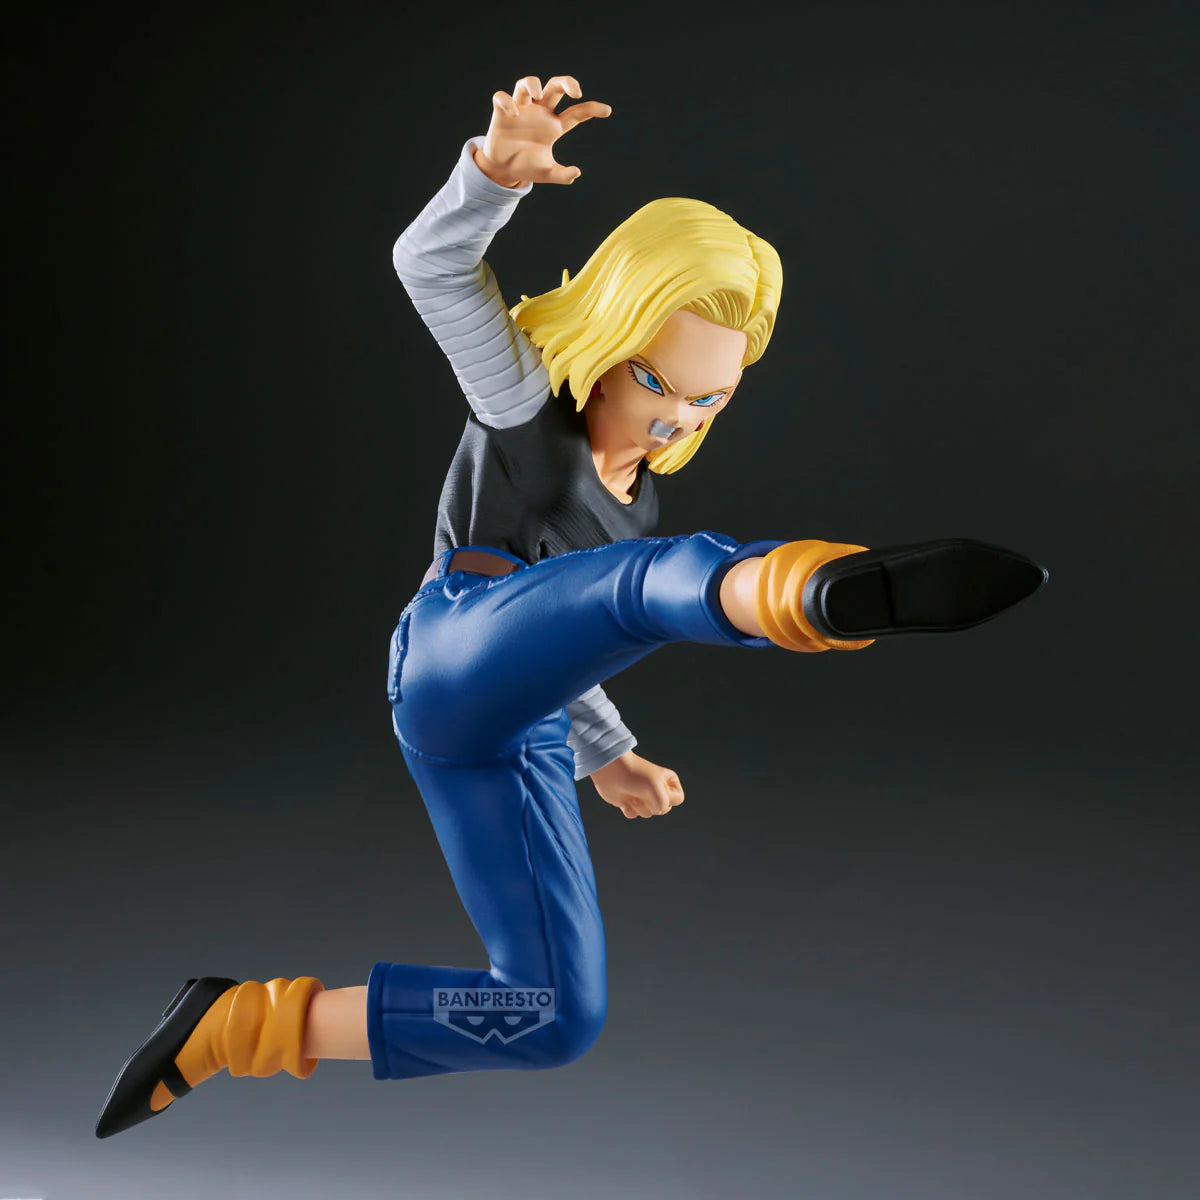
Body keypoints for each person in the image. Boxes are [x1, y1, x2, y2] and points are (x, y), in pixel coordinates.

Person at [96, 75, 1046, 1137]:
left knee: (548, 1013)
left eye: (710, 399)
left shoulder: (639, 509)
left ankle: (232, 1027)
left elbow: (571, 631)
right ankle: (793, 588)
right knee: (649, 583)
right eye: (656, 383)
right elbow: (430, 268)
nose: (677, 419)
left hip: (516, 730)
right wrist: (492, 178)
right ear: (610, 336)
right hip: (452, 652)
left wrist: (608, 754)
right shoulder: (525, 406)